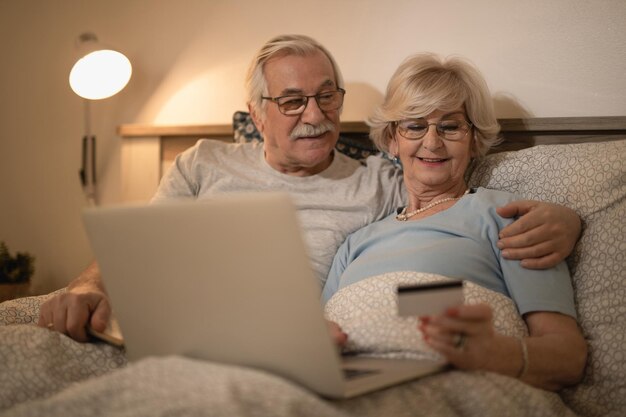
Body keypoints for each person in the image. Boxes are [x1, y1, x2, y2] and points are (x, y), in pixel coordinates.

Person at [39, 35, 581, 344]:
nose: (316, 117)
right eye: (293, 100)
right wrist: (88, 287)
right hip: (168, 326)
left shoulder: (385, 182)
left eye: (328, 96)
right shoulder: (203, 163)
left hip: (301, 346)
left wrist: (571, 219)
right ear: (256, 112)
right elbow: (134, 248)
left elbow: (451, 237)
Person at [321, 53, 587, 391]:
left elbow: (568, 356)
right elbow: (317, 339)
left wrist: (495, 354)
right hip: (350, 384)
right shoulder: (354, 244)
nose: (432, 142)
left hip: (452, 386)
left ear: (474, 140)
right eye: (415, 125)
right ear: (392, 139)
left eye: (450, 126)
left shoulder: (507, 216)